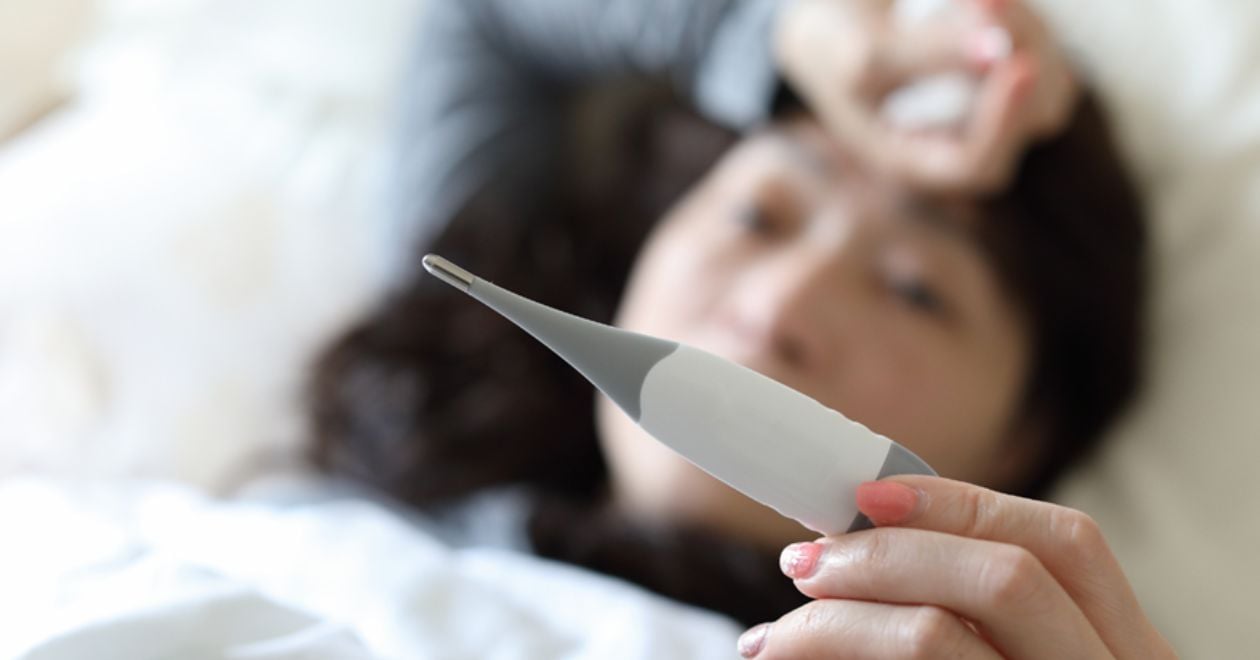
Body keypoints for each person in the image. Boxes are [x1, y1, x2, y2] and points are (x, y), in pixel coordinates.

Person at [309, 0, 1174, 656]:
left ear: (1025, 437)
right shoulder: (442, 378)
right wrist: (785, 37)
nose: (782, 305)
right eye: (757, 215)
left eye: (914, 291)